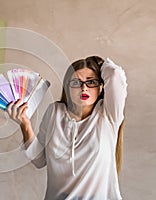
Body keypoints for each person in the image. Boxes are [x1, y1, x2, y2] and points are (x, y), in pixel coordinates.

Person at [7, 56, 127, 200]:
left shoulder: (108, 115)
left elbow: (115, 75)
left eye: (91, 82)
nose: (84, 87)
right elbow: (39, 161)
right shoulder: (54, 113)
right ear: (67, 88)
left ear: (101, 87)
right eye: (76, 82)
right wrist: (25, 124)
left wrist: (98, 63)